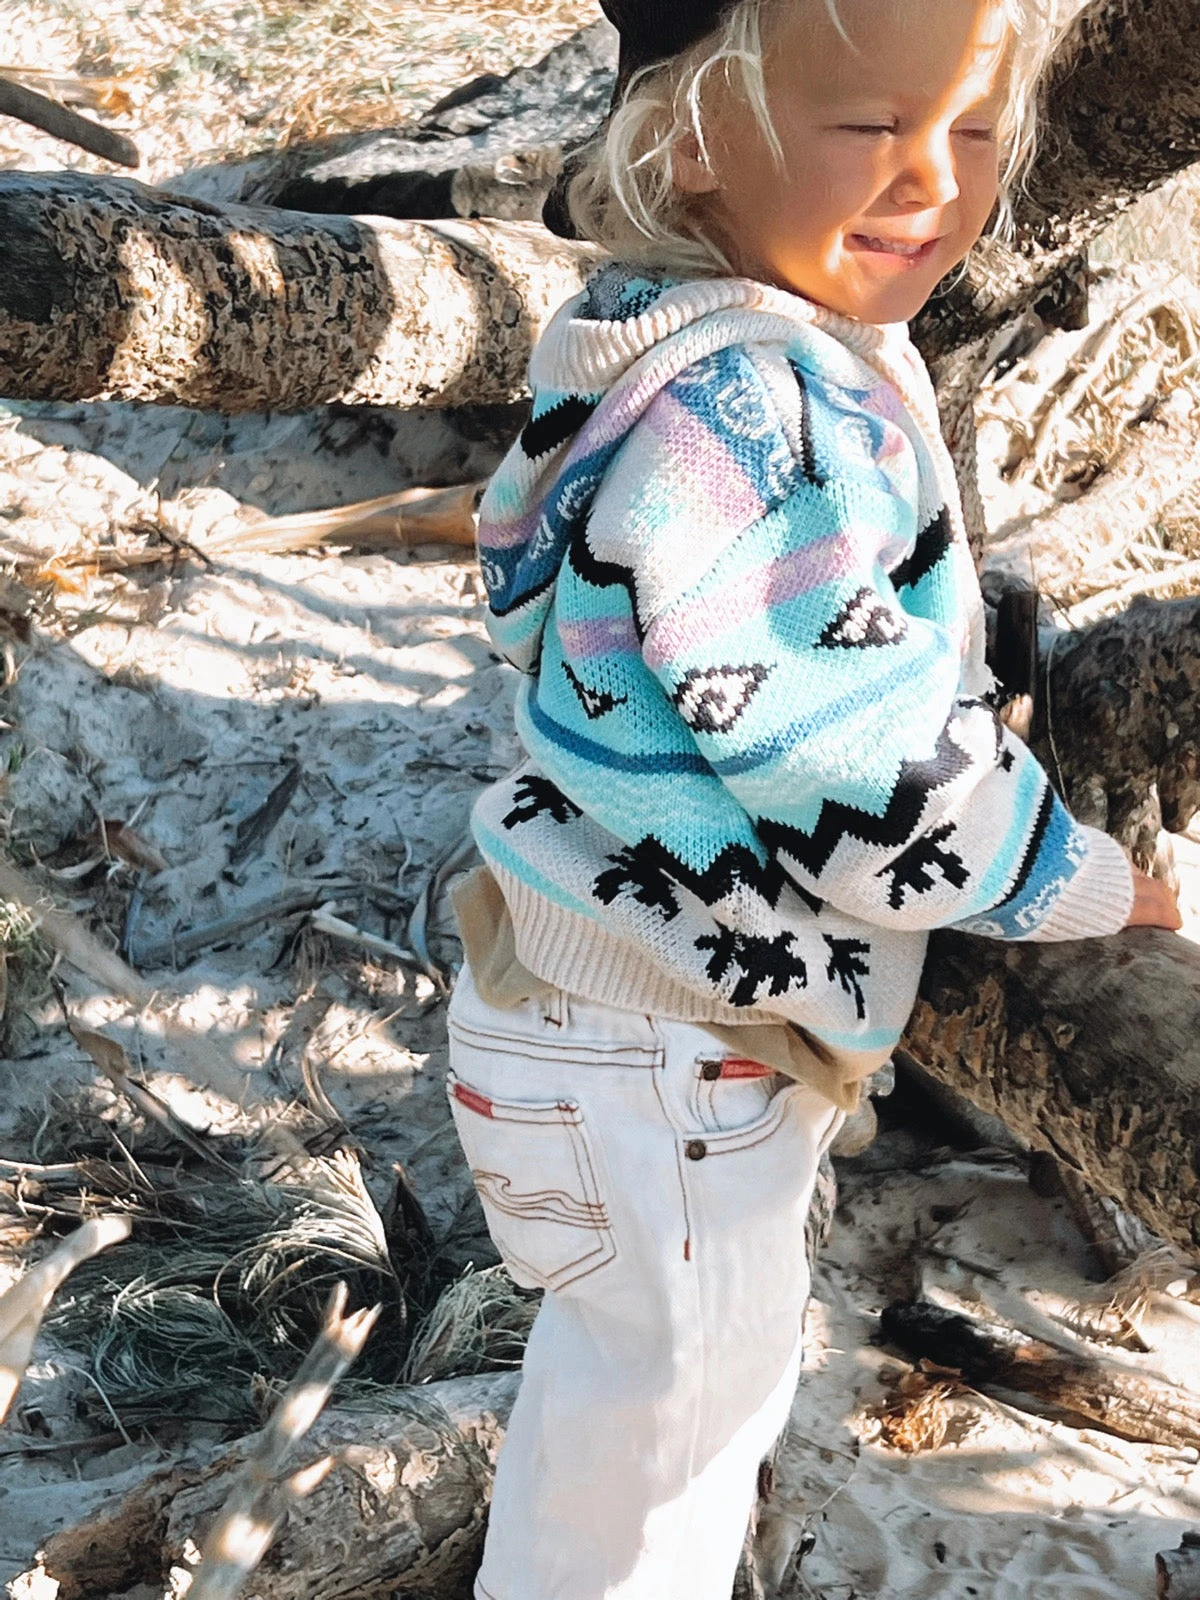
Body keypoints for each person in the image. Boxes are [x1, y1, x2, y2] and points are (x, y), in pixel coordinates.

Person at [444, 1, 1183, 1596]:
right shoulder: (760, 416)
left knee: (617, 1423)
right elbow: (850, 760)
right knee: (668, 1468)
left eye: (974, 131)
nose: (935, 180)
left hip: (576, 999)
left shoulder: (645, 335)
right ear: (693, 136)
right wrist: (1066, 873)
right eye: (871, 128)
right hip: (669, 1050)